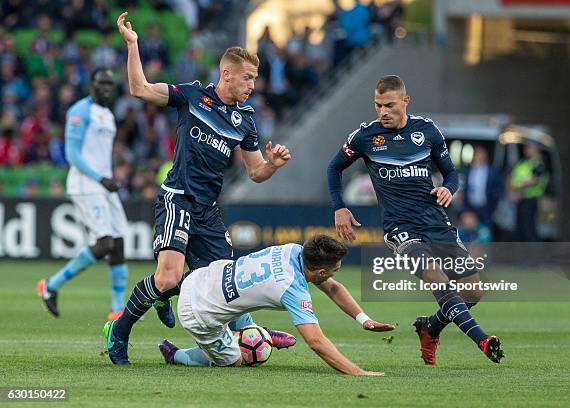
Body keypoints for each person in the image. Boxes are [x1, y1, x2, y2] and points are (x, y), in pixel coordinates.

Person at [105, 12, 293, 365]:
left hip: (207, 210)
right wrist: (133, 46)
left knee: (225, 286)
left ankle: (249, 333)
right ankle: (119, 333)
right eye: (248, 78)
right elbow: (139, 89)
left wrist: (273, 165)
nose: (252, 85)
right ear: (226, 74)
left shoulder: (246, 119)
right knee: (169, 277)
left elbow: (255, 173)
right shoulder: (192, 97)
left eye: (255, 78)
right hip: (178, 198)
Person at [327, 75, 504, 365]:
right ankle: (482, 340)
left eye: (390, 105)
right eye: (378, 105)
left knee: (473, 288)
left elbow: (451, 172)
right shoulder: (365, 136)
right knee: (435, 273)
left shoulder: (427, 131)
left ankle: (430, 326)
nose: (383, 112)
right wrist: (339, 207)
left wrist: (449, 187)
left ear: (405, 102)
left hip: (436, 222)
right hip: (401, 229)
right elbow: (334, 168)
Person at [157, 235, 394, 374]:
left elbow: (332, 287)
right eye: (334, 270)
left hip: (202, 277)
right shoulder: (292, 288)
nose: (335, 275)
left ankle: (258, 333)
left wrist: (364, 320)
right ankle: (176, 354)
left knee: (242, 307)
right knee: (236, 360)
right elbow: (316, 342)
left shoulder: (294, 250)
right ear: (321, 271)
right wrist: (357, 372)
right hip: (199, 312)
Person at [37, 68, 128, 321]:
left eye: (111, 84)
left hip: (104, 185)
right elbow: (73, 155)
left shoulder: (108, 115)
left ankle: (117, 308)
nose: (107, 89)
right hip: (85, 185)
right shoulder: (79, 111)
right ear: (92, 85)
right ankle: (52, 285)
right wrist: (101, 178)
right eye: (103, 84)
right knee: (105, 243)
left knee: (119, 242)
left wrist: (108, 176)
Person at [509, 143, 548, 242]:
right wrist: (513, 190)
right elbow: (512, 178)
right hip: (520, 199)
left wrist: (517, 188)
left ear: (536, 150)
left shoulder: (538, 164)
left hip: (530, 199)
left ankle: (535, 254)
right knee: (520, 230)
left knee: (529, 229)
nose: (526, 150)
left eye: (529, 147)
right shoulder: (523, 163)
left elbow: (533, 181)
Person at [462, 145, 503, 229]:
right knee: (472, 230)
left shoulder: (492, 171)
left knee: (486, 230)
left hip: (487, 207)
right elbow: (465, 188)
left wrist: (496, 203)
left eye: (481, 153)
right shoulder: (469, 170)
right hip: (471, 206)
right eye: (477, 154)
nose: (479, 156)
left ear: (486, 155)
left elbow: (498, 188)